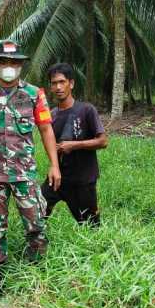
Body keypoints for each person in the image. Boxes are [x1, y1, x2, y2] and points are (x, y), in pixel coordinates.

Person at [0, 40, 61, 293]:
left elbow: (46, 129)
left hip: (24, 173)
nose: (9, 67)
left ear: (20, 66)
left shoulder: (34, 94)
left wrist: (54, 165)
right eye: (4, 62)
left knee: (36, 223)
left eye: (14, 63)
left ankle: (35, 275)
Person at [42, 63, 107, 226]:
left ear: (71, 83)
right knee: (37, 212)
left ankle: (97, 250)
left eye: (62, 82)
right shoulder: (52, 115)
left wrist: (74, 145)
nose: (58, 87)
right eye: (54, 83)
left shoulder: (86, 110)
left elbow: (103, 141)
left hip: (83, 180)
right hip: (58, 178)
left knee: (90, 226)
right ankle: (37, 245)